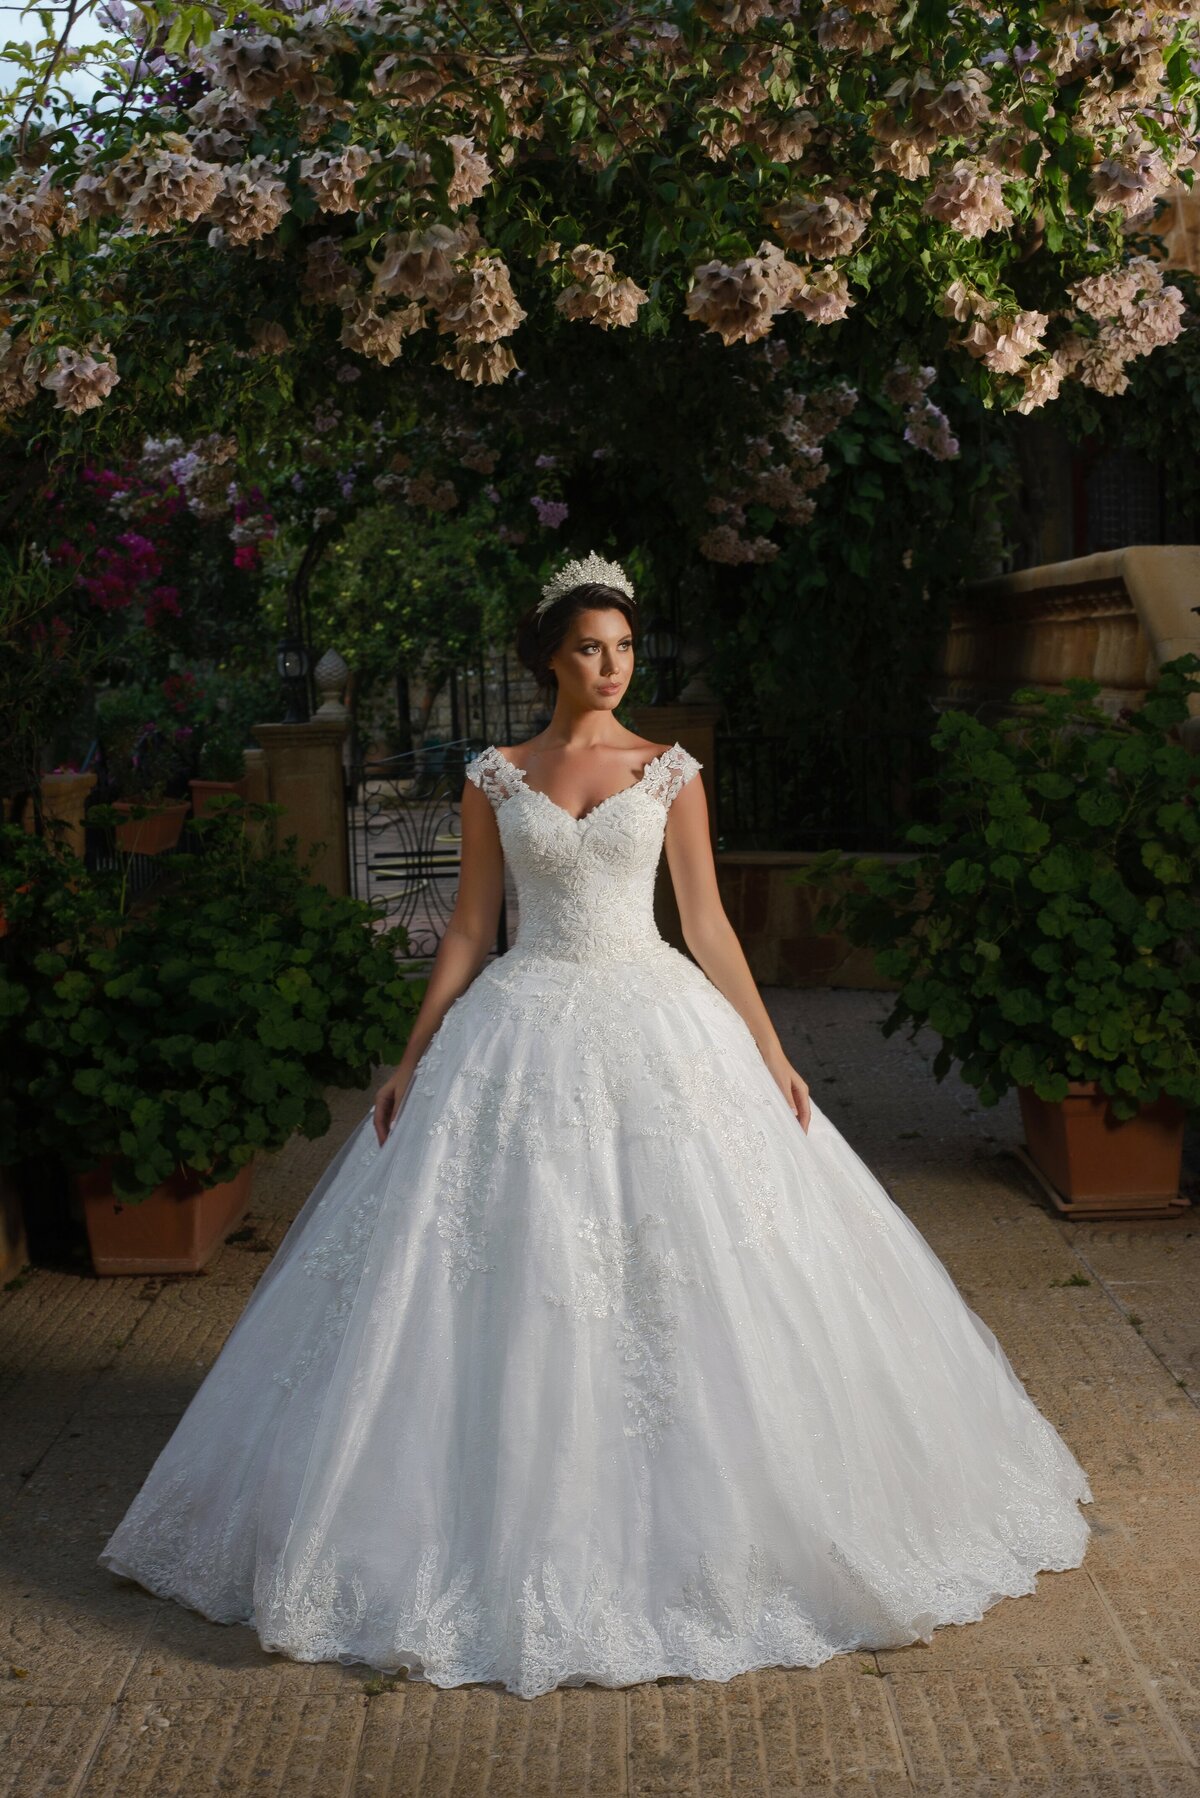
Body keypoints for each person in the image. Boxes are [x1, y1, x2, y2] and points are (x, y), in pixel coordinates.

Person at [98, 550, 1093, 1701]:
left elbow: (710, 926)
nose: (612, 667)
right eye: (590, 648)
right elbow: (470, 928)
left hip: (654, 1019)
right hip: (518, 1027)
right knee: (496, 1269)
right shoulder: (494, 775)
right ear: (550, 657)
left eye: (625, 648)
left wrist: (773, 1055)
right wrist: (412, 1055)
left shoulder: (670, 772)